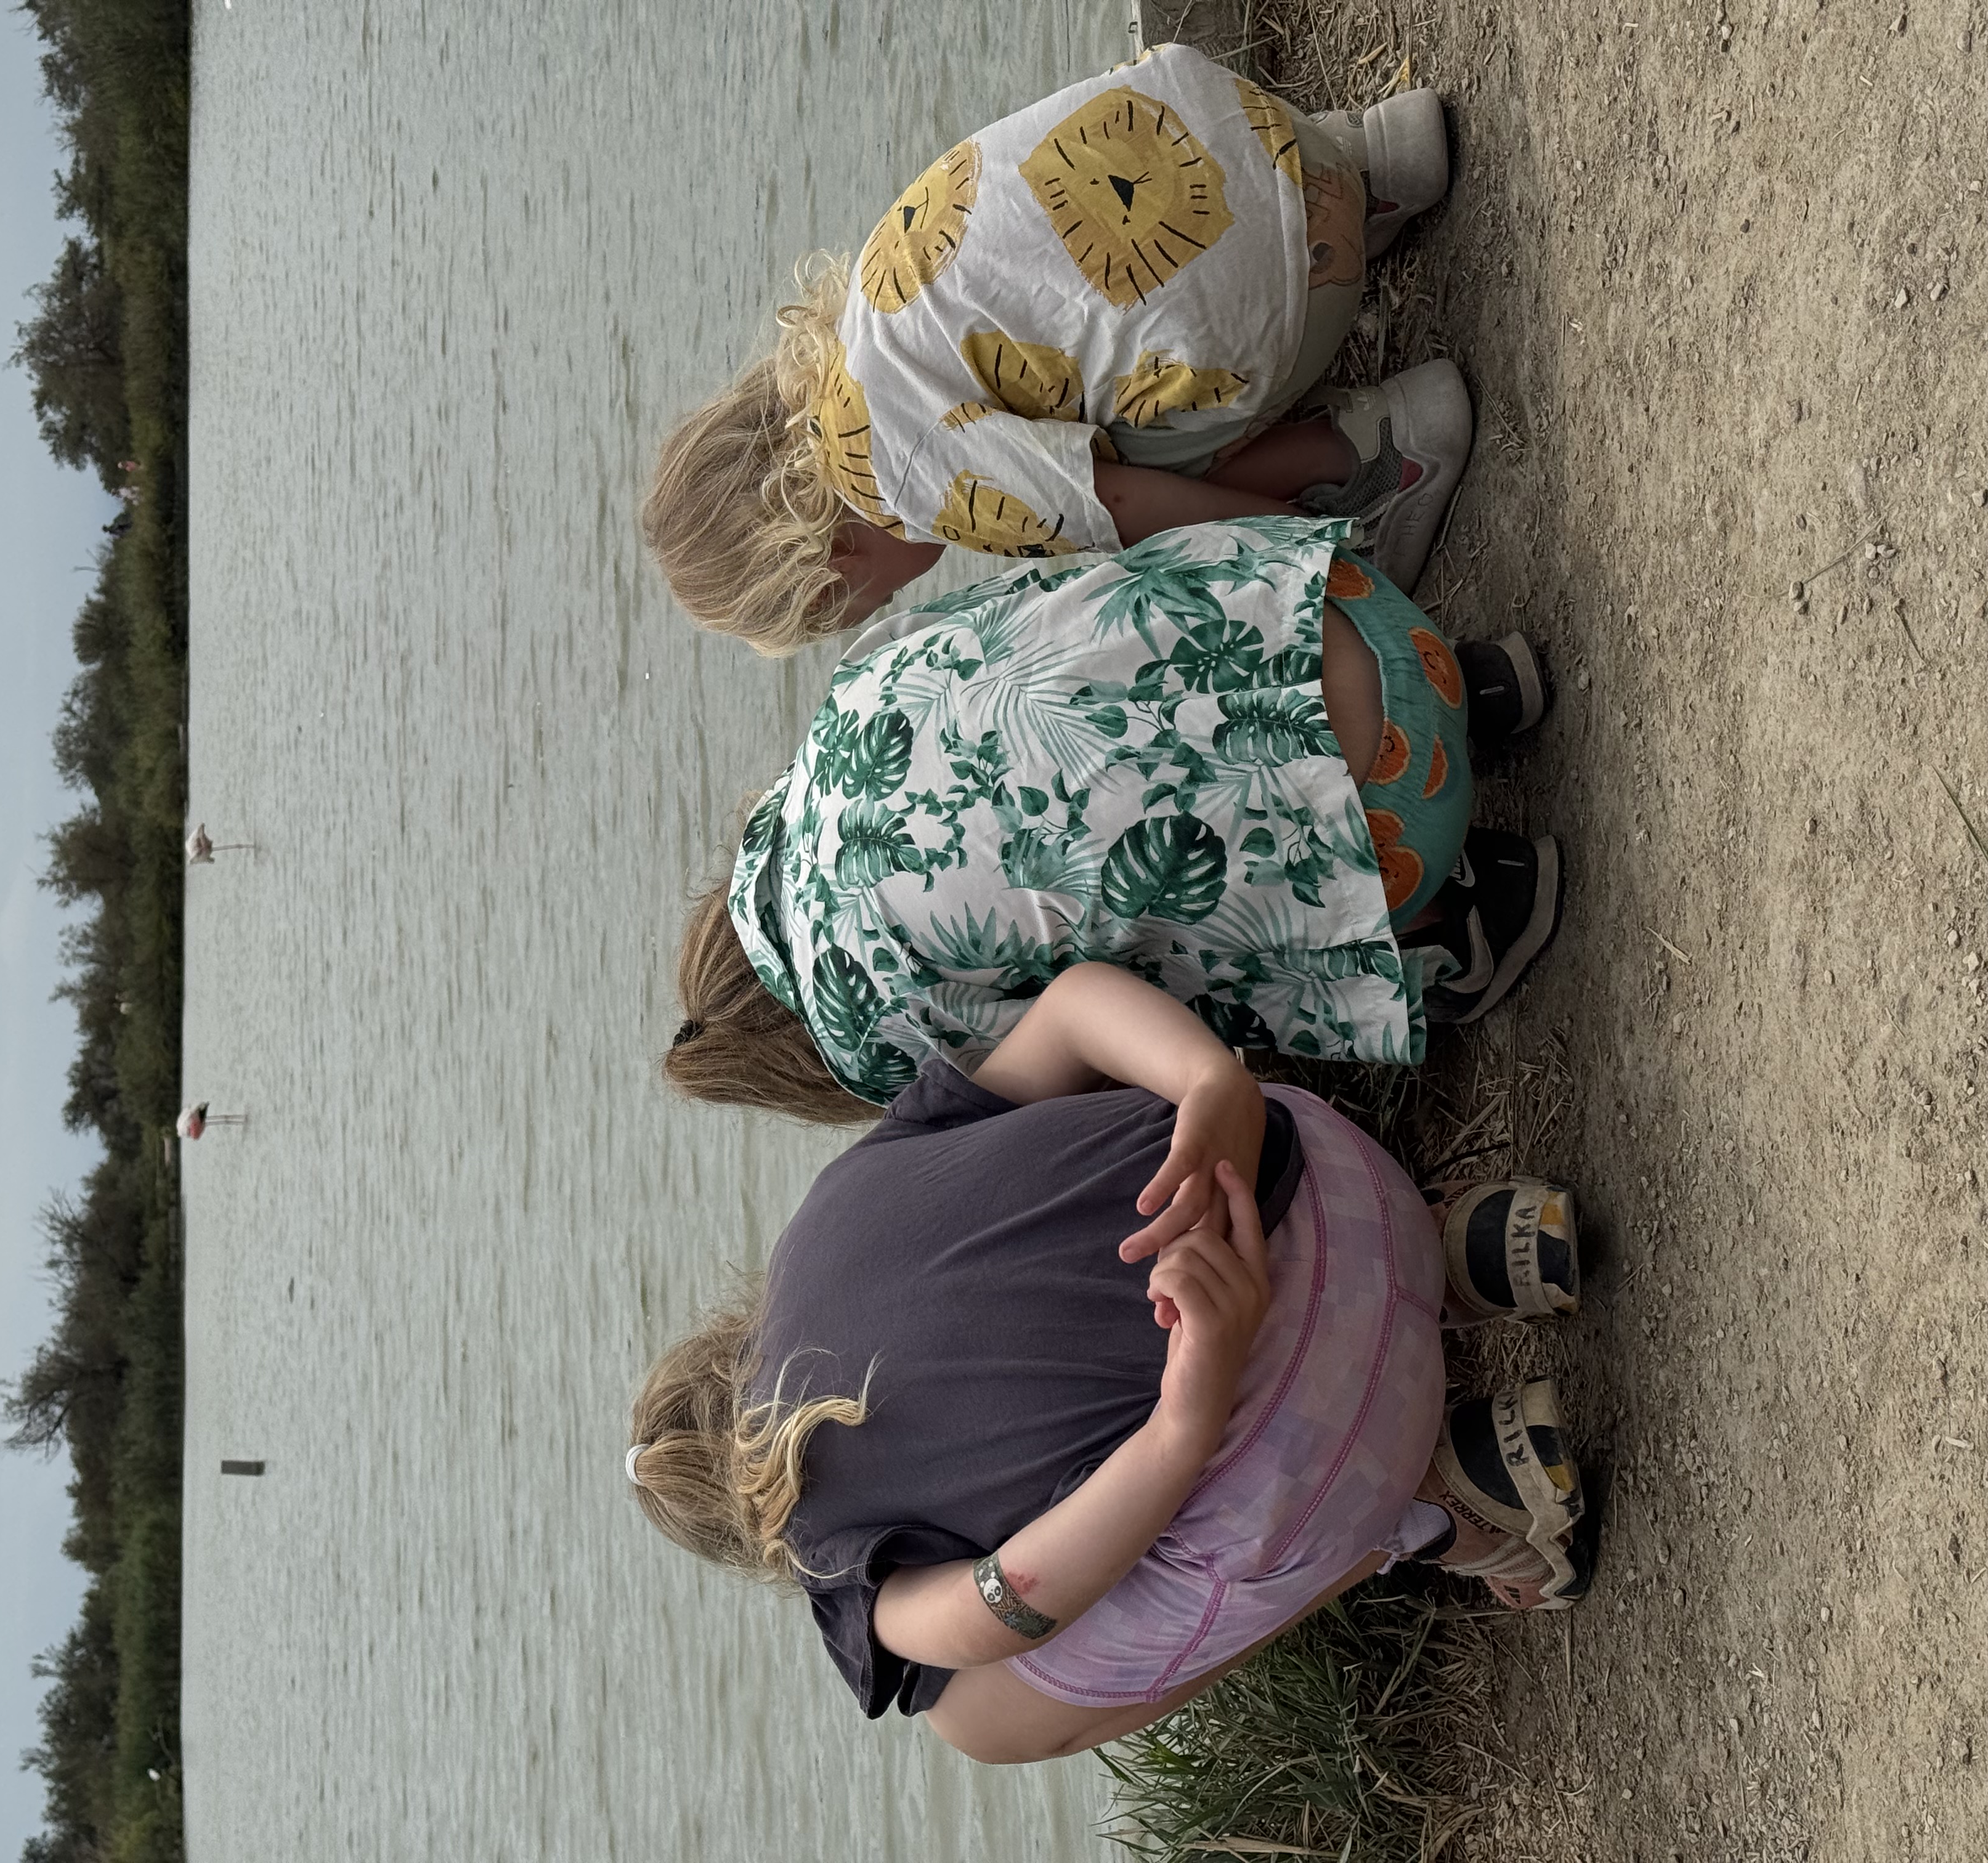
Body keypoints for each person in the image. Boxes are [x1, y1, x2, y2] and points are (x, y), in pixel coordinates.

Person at [627, 963, 1597, 1763]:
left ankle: (1423, 1513)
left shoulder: (827, 1558)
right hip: (1342, 1178)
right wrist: (1211, 1083)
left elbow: (1002, 1612)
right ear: (727, 1334)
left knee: (974, 1721)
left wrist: (1183, 1425)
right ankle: (1457, 1252)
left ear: (747, 1538)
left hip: (1332, 1447)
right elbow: (1073, 1006)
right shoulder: (832, 1201)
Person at [663, 514, 1557, 1119]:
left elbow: (1098, 1063)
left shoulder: (869, 1042)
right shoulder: (847, 697)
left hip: (1400, 829)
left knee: (1152, 976)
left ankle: (1464, 924)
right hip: (1359, 605)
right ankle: (1476, 691)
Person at [640, 44, 1471, 659]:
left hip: (1292, 299)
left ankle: (1375, 453)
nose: (904, 589)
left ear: (833, 565)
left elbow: (1119, 507)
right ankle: (1376, 165)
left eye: (868, 604)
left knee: (1105, 524)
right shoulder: (868, 300)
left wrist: (1295, 553)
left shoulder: (899, 473)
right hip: (1264, 129)